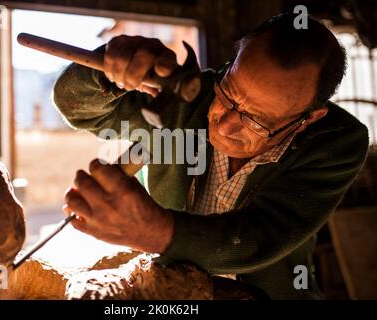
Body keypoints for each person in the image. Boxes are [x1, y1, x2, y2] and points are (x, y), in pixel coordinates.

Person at [52, 13, 369, 299]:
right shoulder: (188, 95)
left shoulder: (336, 141)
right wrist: (109, 70)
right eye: (229, 93)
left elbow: (263, 234)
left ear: (306, 119)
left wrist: (156, 230)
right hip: (173, 296)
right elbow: (78, 110)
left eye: (256, 120)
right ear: (231, 64)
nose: (226, 123)